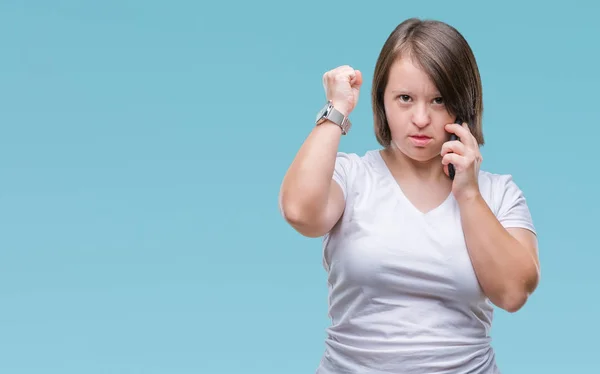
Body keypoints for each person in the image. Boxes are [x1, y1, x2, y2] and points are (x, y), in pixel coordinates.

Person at [278, 18, 540, 374]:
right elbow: (299, 212)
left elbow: (513, 293)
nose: (420, 118)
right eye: (405, 98)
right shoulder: (351, 176)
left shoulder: (498, 193)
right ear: (381, 100)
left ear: (463, 104)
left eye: (438, 100)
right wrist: (336, 109)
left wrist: (468, 194)